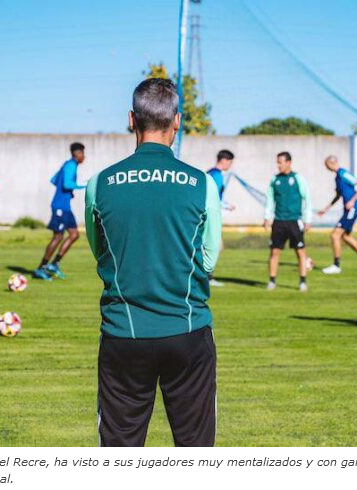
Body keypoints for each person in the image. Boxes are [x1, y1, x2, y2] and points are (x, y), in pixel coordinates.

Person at [84, 78, 221, 446]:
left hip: (123, 335)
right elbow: (208, 261)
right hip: (188, 333)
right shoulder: (202, 183)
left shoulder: (100, 183)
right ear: (177, 120)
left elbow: (100, 251)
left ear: (132, 119)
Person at [33, 142, 87, 280]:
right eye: (83, 153)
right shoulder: (71, 165)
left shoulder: (66, 164)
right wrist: (85, 186)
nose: (84, 157)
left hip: (65, 207)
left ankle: (54, 264)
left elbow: (54, 180)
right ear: (77, 153)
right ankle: (41, 268)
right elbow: (66, 184)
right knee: (58, 236)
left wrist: (69, 193)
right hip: (60, 207)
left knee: (74, 235)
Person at [263, 151, 311, 292]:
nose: (278, 165)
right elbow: (270, 200)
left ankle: (302, 282)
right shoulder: (274, 180)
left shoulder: (298, 178)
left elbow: (307, 198)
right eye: (277, 162)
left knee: (300, 252)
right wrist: (267, 217)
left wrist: (307, 219)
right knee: (274, 252)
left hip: (295, 221)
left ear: (288, 162)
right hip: (278, 221)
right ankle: (272, 281)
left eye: (281, 162)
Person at [318, 155, 357, 274]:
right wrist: (326, 208)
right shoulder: (337, 178)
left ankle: (336, 266)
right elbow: (338, 196)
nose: (326, 168)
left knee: (335, 235)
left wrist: (352, 200)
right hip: (348, 210)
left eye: (326, 165)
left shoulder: (343, 173)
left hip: (352, 209)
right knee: (345, 236)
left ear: (331, 163)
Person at [206, 149, 235, 287]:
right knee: (215, 246)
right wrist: (227, 205)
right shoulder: (217, 176)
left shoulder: (208, 173)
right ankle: (206, 277)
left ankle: (207, 276)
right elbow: (214, 197)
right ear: (224, 160)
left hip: (205, 214)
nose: (230, 165)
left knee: (215, 246)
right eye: (230, 162)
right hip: (211, 216)